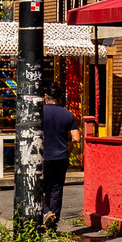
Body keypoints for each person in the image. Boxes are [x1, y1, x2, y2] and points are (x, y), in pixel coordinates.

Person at [39, 89, 81, 229]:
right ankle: (52, 224)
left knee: (38, 187)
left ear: (46, 96)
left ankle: (46, 211)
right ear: (60, 97)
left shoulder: (41, 112)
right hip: (61, 157)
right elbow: (76, 138)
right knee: (56, 189)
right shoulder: (68, 114)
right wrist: (65, 138)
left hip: (44, 156)